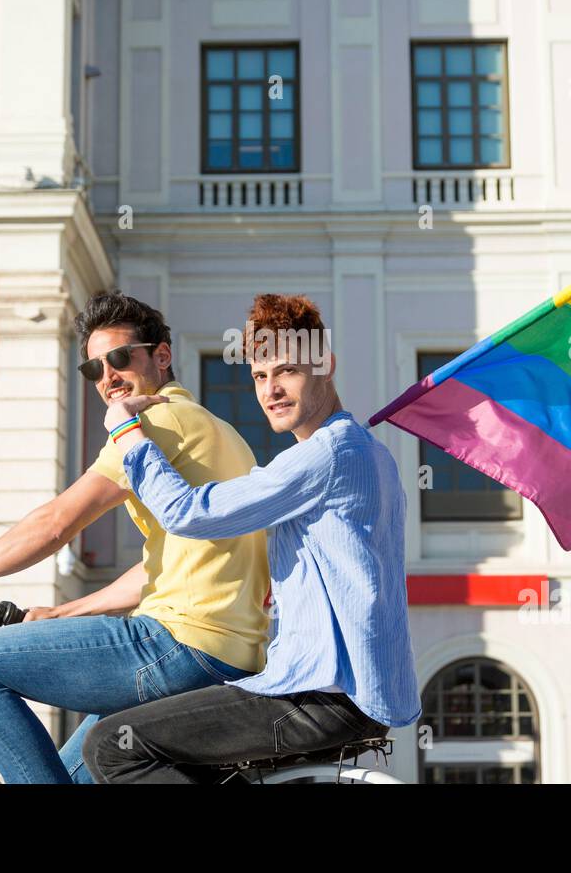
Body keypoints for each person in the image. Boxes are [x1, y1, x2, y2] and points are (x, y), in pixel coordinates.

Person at [0, 290, 271, 783]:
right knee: (73, 772)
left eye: (119, 359)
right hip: (223, 655)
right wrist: (64, 612)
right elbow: (161, 568)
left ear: (162, 355)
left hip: (175, 644)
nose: (107, 377)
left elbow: (56, 524)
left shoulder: (154, 422)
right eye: (94, 369)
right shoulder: (223, 432)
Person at [82, 293, 420, 783]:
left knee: (113, 745)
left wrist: (128, 432)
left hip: (318, 695)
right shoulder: (371, 453)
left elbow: (186, 513)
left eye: (287, 372)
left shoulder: (324, 455)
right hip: (354, 692)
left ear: (325, 365)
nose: (271, 391)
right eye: (260, 377)